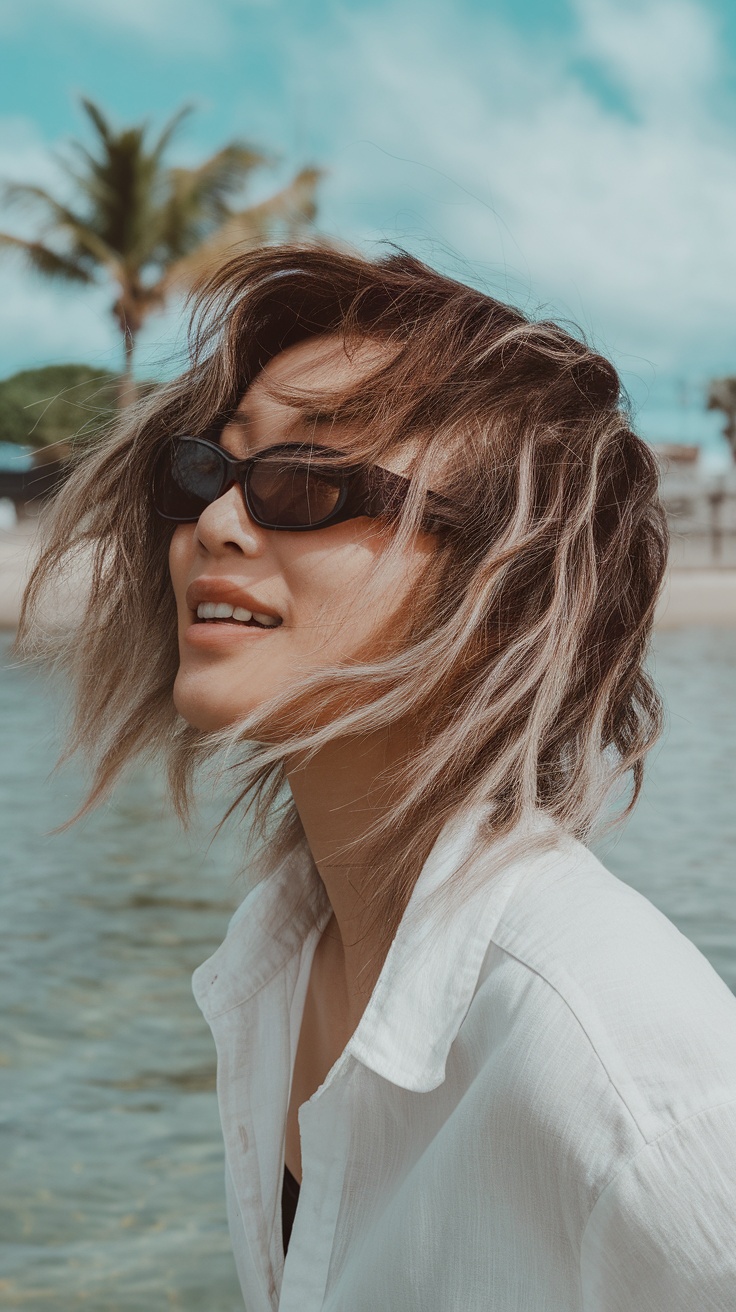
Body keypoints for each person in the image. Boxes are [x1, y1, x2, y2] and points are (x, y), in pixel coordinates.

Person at [19, 246, 736, 1311]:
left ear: (501, 593)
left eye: (304, 483)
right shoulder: (275, 961)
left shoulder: (633, 1077)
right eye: (206, 471)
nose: (215, 521)